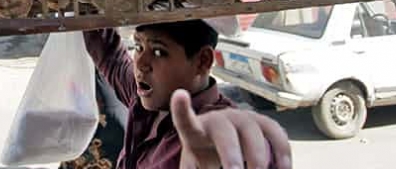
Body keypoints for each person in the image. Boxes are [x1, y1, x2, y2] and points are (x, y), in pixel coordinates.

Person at [84, 19, 292, 169]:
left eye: (158, 51)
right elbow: (110, 55)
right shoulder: (144, 98)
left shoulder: (211, 131)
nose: (141, 64)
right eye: (138, 46)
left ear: (202, 61)